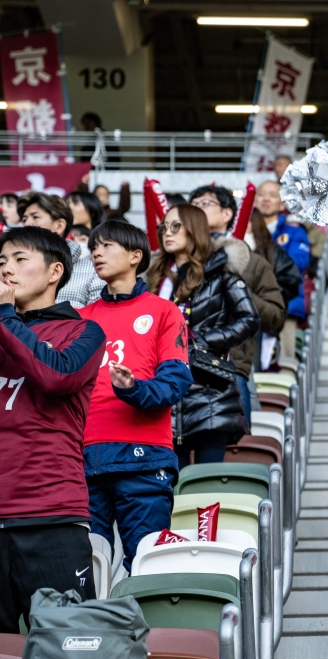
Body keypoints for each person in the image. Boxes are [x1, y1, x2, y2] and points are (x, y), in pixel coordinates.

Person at [0, 226, 106, 631]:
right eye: (1, 262)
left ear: (54, 272)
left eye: (19, 260)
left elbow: (56, 375)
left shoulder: (83, 332)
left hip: (51, 516)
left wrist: (6, 316)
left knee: (70, 645)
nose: (7, 270)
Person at [78, 219, 193, 572]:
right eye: (94, 246)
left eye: (107, 245)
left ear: (135, 256)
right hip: (83, 459)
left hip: (143, 458)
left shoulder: (164, 311)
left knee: (147, 566)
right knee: (84, 572)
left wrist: (133, 389)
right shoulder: (79, 319)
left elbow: (176, 381)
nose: (97, 252)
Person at [145, 205, 260, 466]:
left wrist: (203, 342)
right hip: (166, 387)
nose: (167, 233)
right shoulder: (155, 274)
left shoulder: (221, 272)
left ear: (194, 230)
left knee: (206, 484)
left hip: (209, 388)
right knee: (174, 482)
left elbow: (250, 318)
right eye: (164, 227)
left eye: (176, 226)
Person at [190, 185, 285, 409]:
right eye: (193, 206)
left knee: (234, 443)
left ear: (227, 214)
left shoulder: (251, 263)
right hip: (179, 365)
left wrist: (238, 292)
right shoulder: (179, 261)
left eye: (205, 203)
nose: (197, 210)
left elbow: (275, 317)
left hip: (231, 366)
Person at [19, 191, 103, 308]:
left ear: (59, 226)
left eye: (35, 217)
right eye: (24, 219)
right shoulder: (13, 269)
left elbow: (97, 317)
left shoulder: (92, 270)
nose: (27, 224)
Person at [248, 209, 302, 308]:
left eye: (248, 221)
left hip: (270, 311)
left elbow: (291, 277)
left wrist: (268, 297)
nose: (242, 224)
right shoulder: (230, 247)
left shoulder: (271, 250)